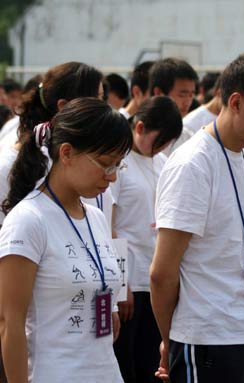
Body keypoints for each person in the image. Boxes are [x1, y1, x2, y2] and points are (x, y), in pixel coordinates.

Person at [150, 51, 244, 383]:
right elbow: (162, 272)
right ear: (237, 102)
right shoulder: (193, 164)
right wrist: (170, 341)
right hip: (207, 339)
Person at [0, 97, 133, 383]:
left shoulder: (96, 217)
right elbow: (8, 324)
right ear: (67, 152)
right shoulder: (29, 221)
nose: (111, 178)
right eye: (106, 165)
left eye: (118, 167)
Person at [111, 96, 183, 383]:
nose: (163, 148)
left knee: (151, 359)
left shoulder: (163, 162)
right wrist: (121, 284)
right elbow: (110, 225)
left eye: (168, 143)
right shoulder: (118, 162)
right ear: (139, 127)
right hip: (131, 278)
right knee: (127, 358)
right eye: (160, 140)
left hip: (156, 276)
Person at [0, 62, 106, 227]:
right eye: (97, 99)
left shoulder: (87, 161)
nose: (104, 109)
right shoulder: (7, 166)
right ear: (64, 107)